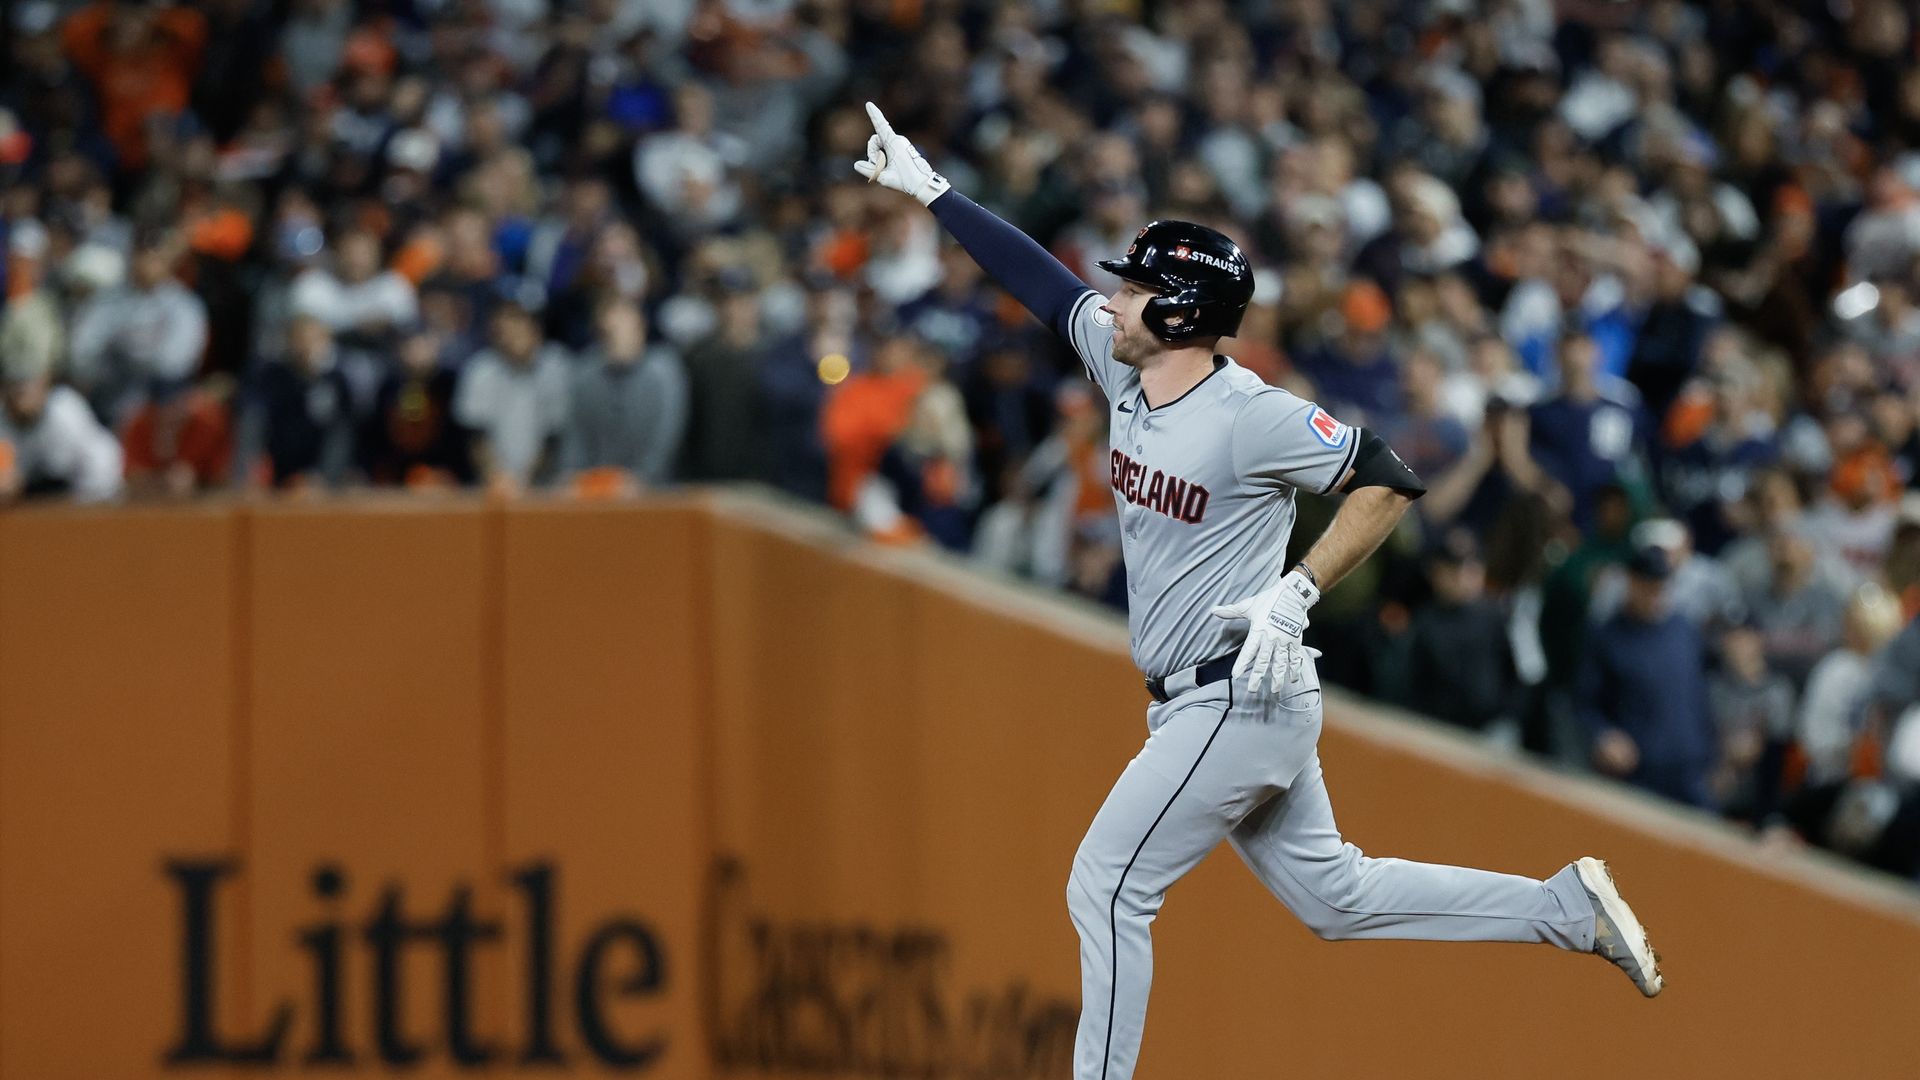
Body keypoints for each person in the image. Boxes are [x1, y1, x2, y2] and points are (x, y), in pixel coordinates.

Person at [855, 102, 1663, 1080]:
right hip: (1210, 699)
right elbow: (1041, 282)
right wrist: (936, 193)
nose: (1114, 301)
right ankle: (1559, 909)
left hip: (1239, 684)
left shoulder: (1251, 415)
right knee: (1336, 898)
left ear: (1185, 313)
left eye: (1138, 289)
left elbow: (1389, 477)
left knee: (1106, 886)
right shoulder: (1122, 365)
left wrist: (1299, 589)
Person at [1579, 545, 1718, 808]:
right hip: (1639, 773)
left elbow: (1699, 695)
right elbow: (1586, 701)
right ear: (1632, 582)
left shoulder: (1684, 630)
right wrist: (1605, 735)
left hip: (1691, 770)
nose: (1656, 593)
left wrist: (1714, 754)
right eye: (1649, 585)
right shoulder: (1607, 637)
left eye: (1662, 585)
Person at [563, 298, 688, 490]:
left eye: (624, 329)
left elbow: (665, 440)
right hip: (597, 490)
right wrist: (574, 479)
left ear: (641, 329)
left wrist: (641, 479)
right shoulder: (586, 373)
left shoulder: (664, 371)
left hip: (654, 491)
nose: (617, 339)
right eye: (609, 333)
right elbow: (576, 440)